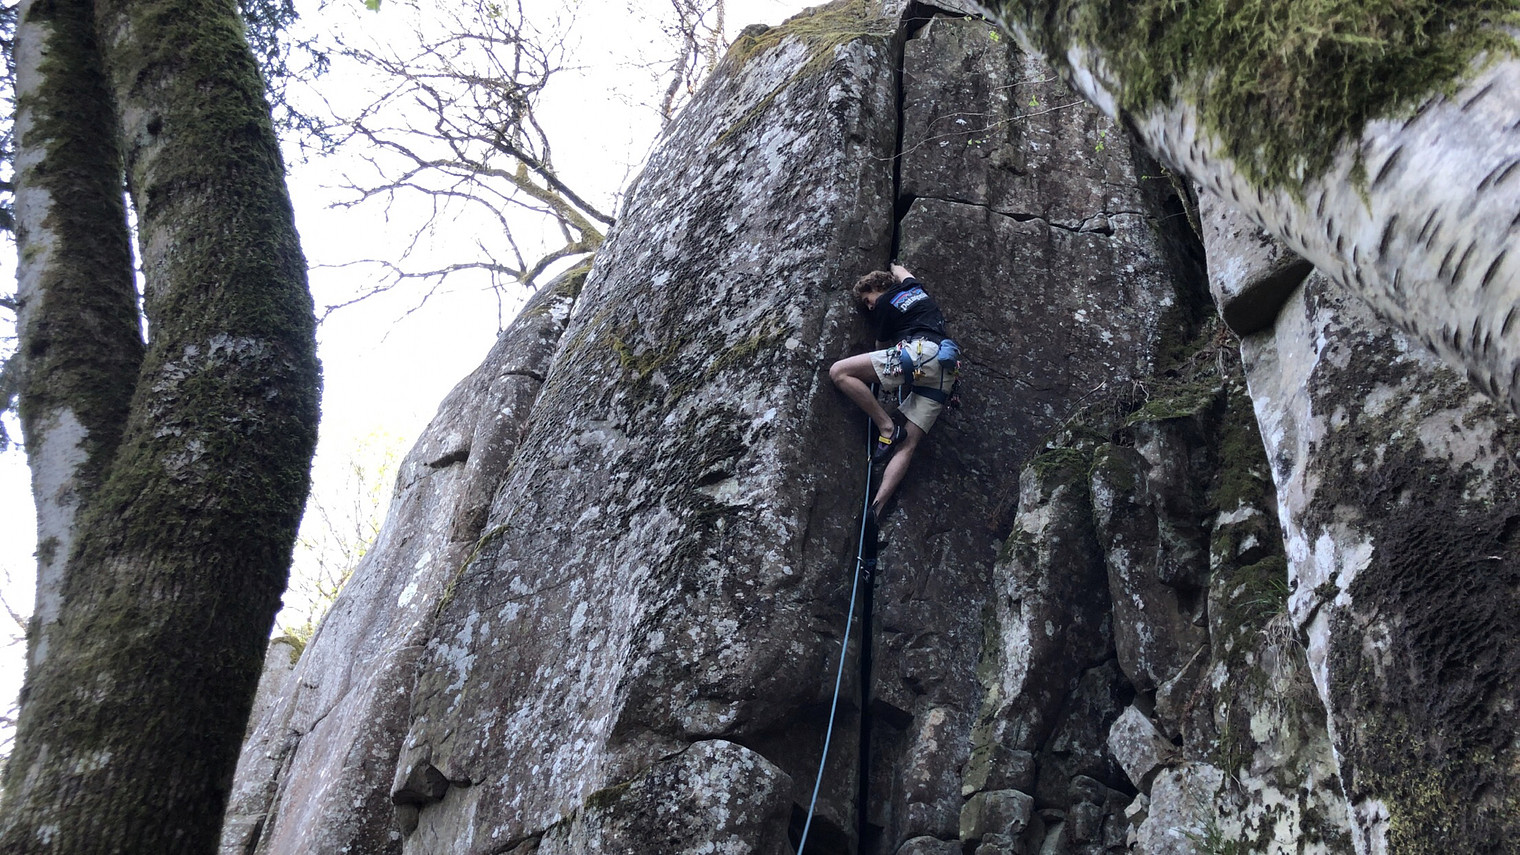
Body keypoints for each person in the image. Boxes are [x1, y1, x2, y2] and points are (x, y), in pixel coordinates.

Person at [829, 262, 957, 520]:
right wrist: (895, 266)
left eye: (867, 299)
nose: (869, 306)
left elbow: (881, 346)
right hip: (946, 370)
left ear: (878, 287)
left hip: (918, 355)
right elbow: (903, 273)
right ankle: (876, 509)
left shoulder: (886, 302)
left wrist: (878, 378)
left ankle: (886, 427)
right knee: (908, 444)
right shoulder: (915, 289)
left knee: (839, 372)